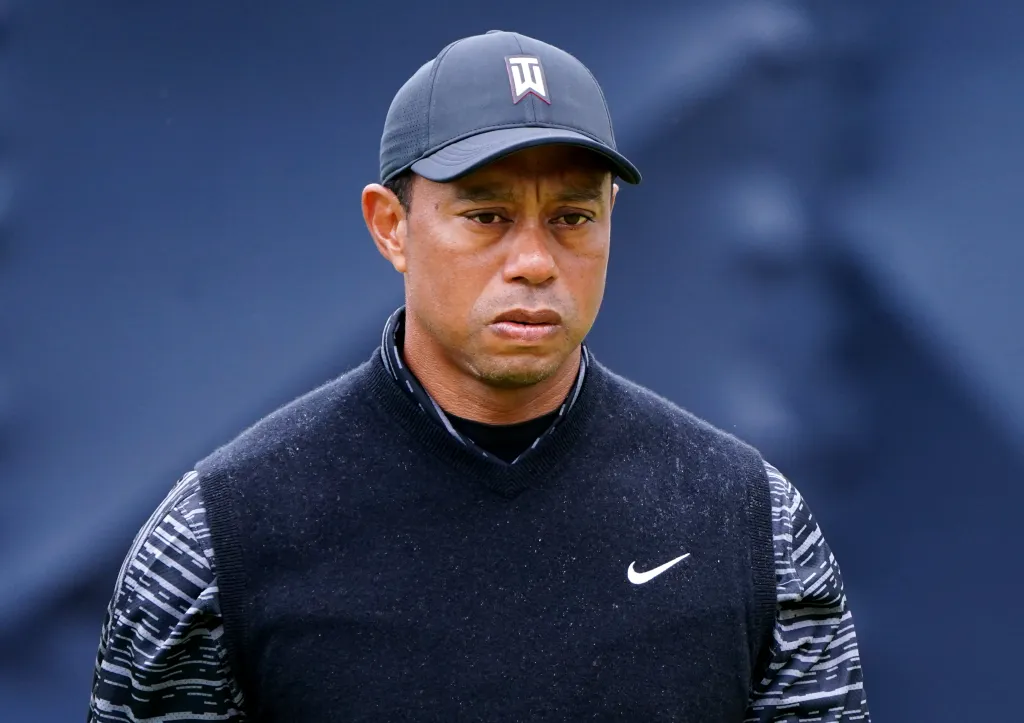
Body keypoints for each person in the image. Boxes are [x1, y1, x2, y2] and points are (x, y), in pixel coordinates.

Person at [88, 30, 869, 723]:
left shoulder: (749, 521)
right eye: (486, 215)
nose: (533, 262)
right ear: (391, 226)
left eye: (572, 216)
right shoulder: (223, 536)